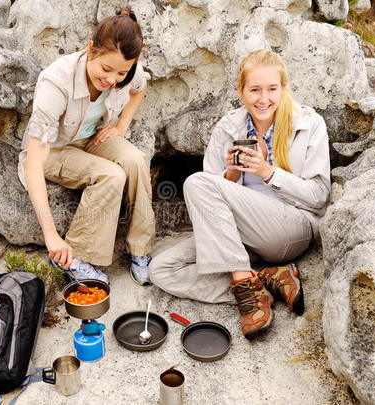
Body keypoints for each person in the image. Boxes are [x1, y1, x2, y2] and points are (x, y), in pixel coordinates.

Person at [149, 50, 331, 339]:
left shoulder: (309, 124)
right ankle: (263, 281)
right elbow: (208, 199)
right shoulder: (228, 126)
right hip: (237, 236)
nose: (263, 99)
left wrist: (266, 171)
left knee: (196, 182)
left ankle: (247, 291)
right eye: (255, 90)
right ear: (241, 91)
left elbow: (320, 196)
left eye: (272, 89)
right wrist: (231, 175)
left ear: (283, 89)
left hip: (289, 230)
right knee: (160, 270)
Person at [19, 6, 155, 285]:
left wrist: (121, 126)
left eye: (120, 73)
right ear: (91, 49)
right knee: (112, 175)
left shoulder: (125, 69)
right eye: (106, 69)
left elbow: (140, 87)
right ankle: (75, 258)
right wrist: (50, 234)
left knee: (135, 160)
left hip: (91, 139)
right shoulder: (55, 82)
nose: (112, 80)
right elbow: (33, 163)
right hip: (53, 151)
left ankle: (140, 248)